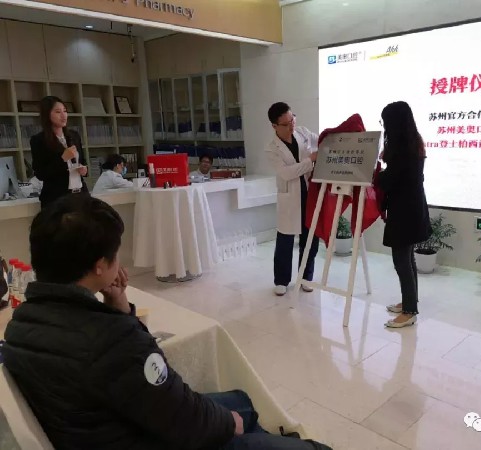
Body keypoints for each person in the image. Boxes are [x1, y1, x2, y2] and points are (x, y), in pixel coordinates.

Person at [2, 195, 331, 450]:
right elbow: (182, 416)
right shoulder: (111, 341)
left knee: (242, 402)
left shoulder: (21, 324)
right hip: (149, 436)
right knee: (272, 431)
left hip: (106, 428)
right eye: (116, 254)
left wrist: (118, 305)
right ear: (100, 266)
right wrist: (228, 425)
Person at [375, 101, 432, 328]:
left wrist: (375, 173)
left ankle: (409, 311)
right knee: (408, 258)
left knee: (401, 260)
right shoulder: (412, 142)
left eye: (385, 122)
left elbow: (389, 181)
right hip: (412, 208)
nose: (384, 127)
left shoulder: (402, 150)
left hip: (404, 212)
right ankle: (410, 301)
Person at [266, 102, 320, 296]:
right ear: (274, 126)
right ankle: (281, 280)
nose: (292, 126)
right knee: (285, 240)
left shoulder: (303, 133)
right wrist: (310, 160)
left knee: (310, 238)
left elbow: (323, 140)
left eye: (293, 120)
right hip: (290, 198)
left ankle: (306, 277)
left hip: (309, 194)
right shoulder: (272, 149)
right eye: (286, 124)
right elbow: (287, 173)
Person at [30, 96, 88, 209]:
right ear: (47, 114)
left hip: (80, 193)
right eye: (58, 112)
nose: (63, 115)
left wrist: (84, 169)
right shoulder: (39, 140)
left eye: (65, 111)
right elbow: (40, 173)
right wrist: (62, 159)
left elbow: (82, 161)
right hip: (57, 198)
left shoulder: (74, 136)